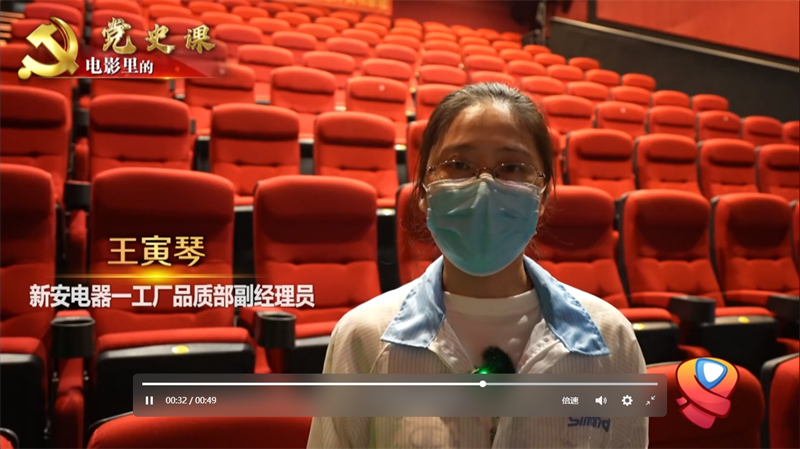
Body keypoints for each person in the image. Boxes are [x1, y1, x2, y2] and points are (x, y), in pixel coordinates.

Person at [306, 83, 648, 448]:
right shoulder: (363, 337)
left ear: (543, 196)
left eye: (512, 167)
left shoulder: (612, 340)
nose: (485, 186)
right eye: (458, 165)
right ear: (423, 191)